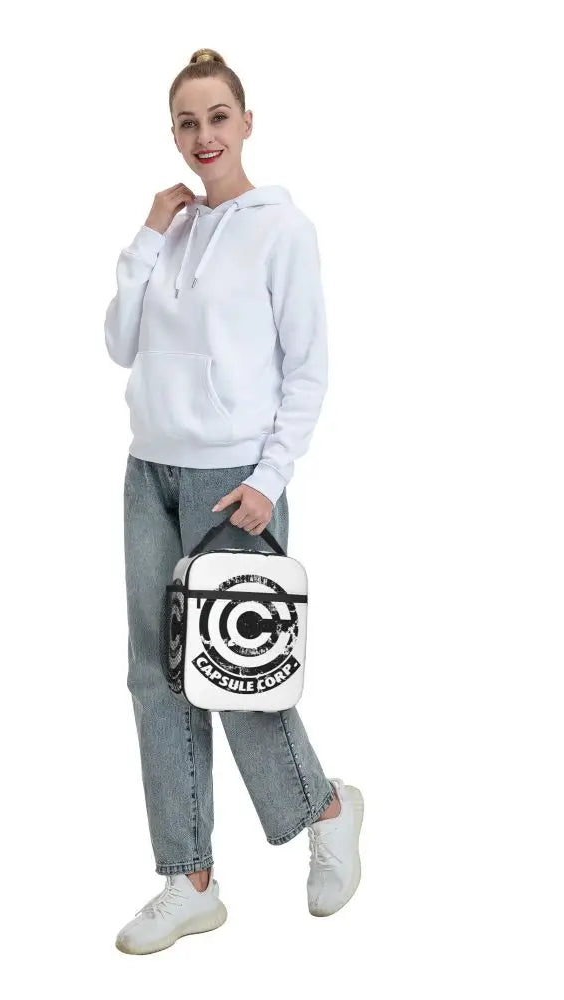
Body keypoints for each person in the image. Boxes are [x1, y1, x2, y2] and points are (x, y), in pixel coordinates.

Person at [104, 48, 364, 956]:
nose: (203, 135)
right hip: (150, 472)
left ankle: (325, 810)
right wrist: (147, 234)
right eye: (187, 122)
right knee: (157, 676)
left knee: (236, 672)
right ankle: (190, 880)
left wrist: (270, 478)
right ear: (173, 134)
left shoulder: (282, 229)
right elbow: (120, 342)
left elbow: (309, 370)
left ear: (246, 123)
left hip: (232, 484)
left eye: (218, 117)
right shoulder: (171, 232)